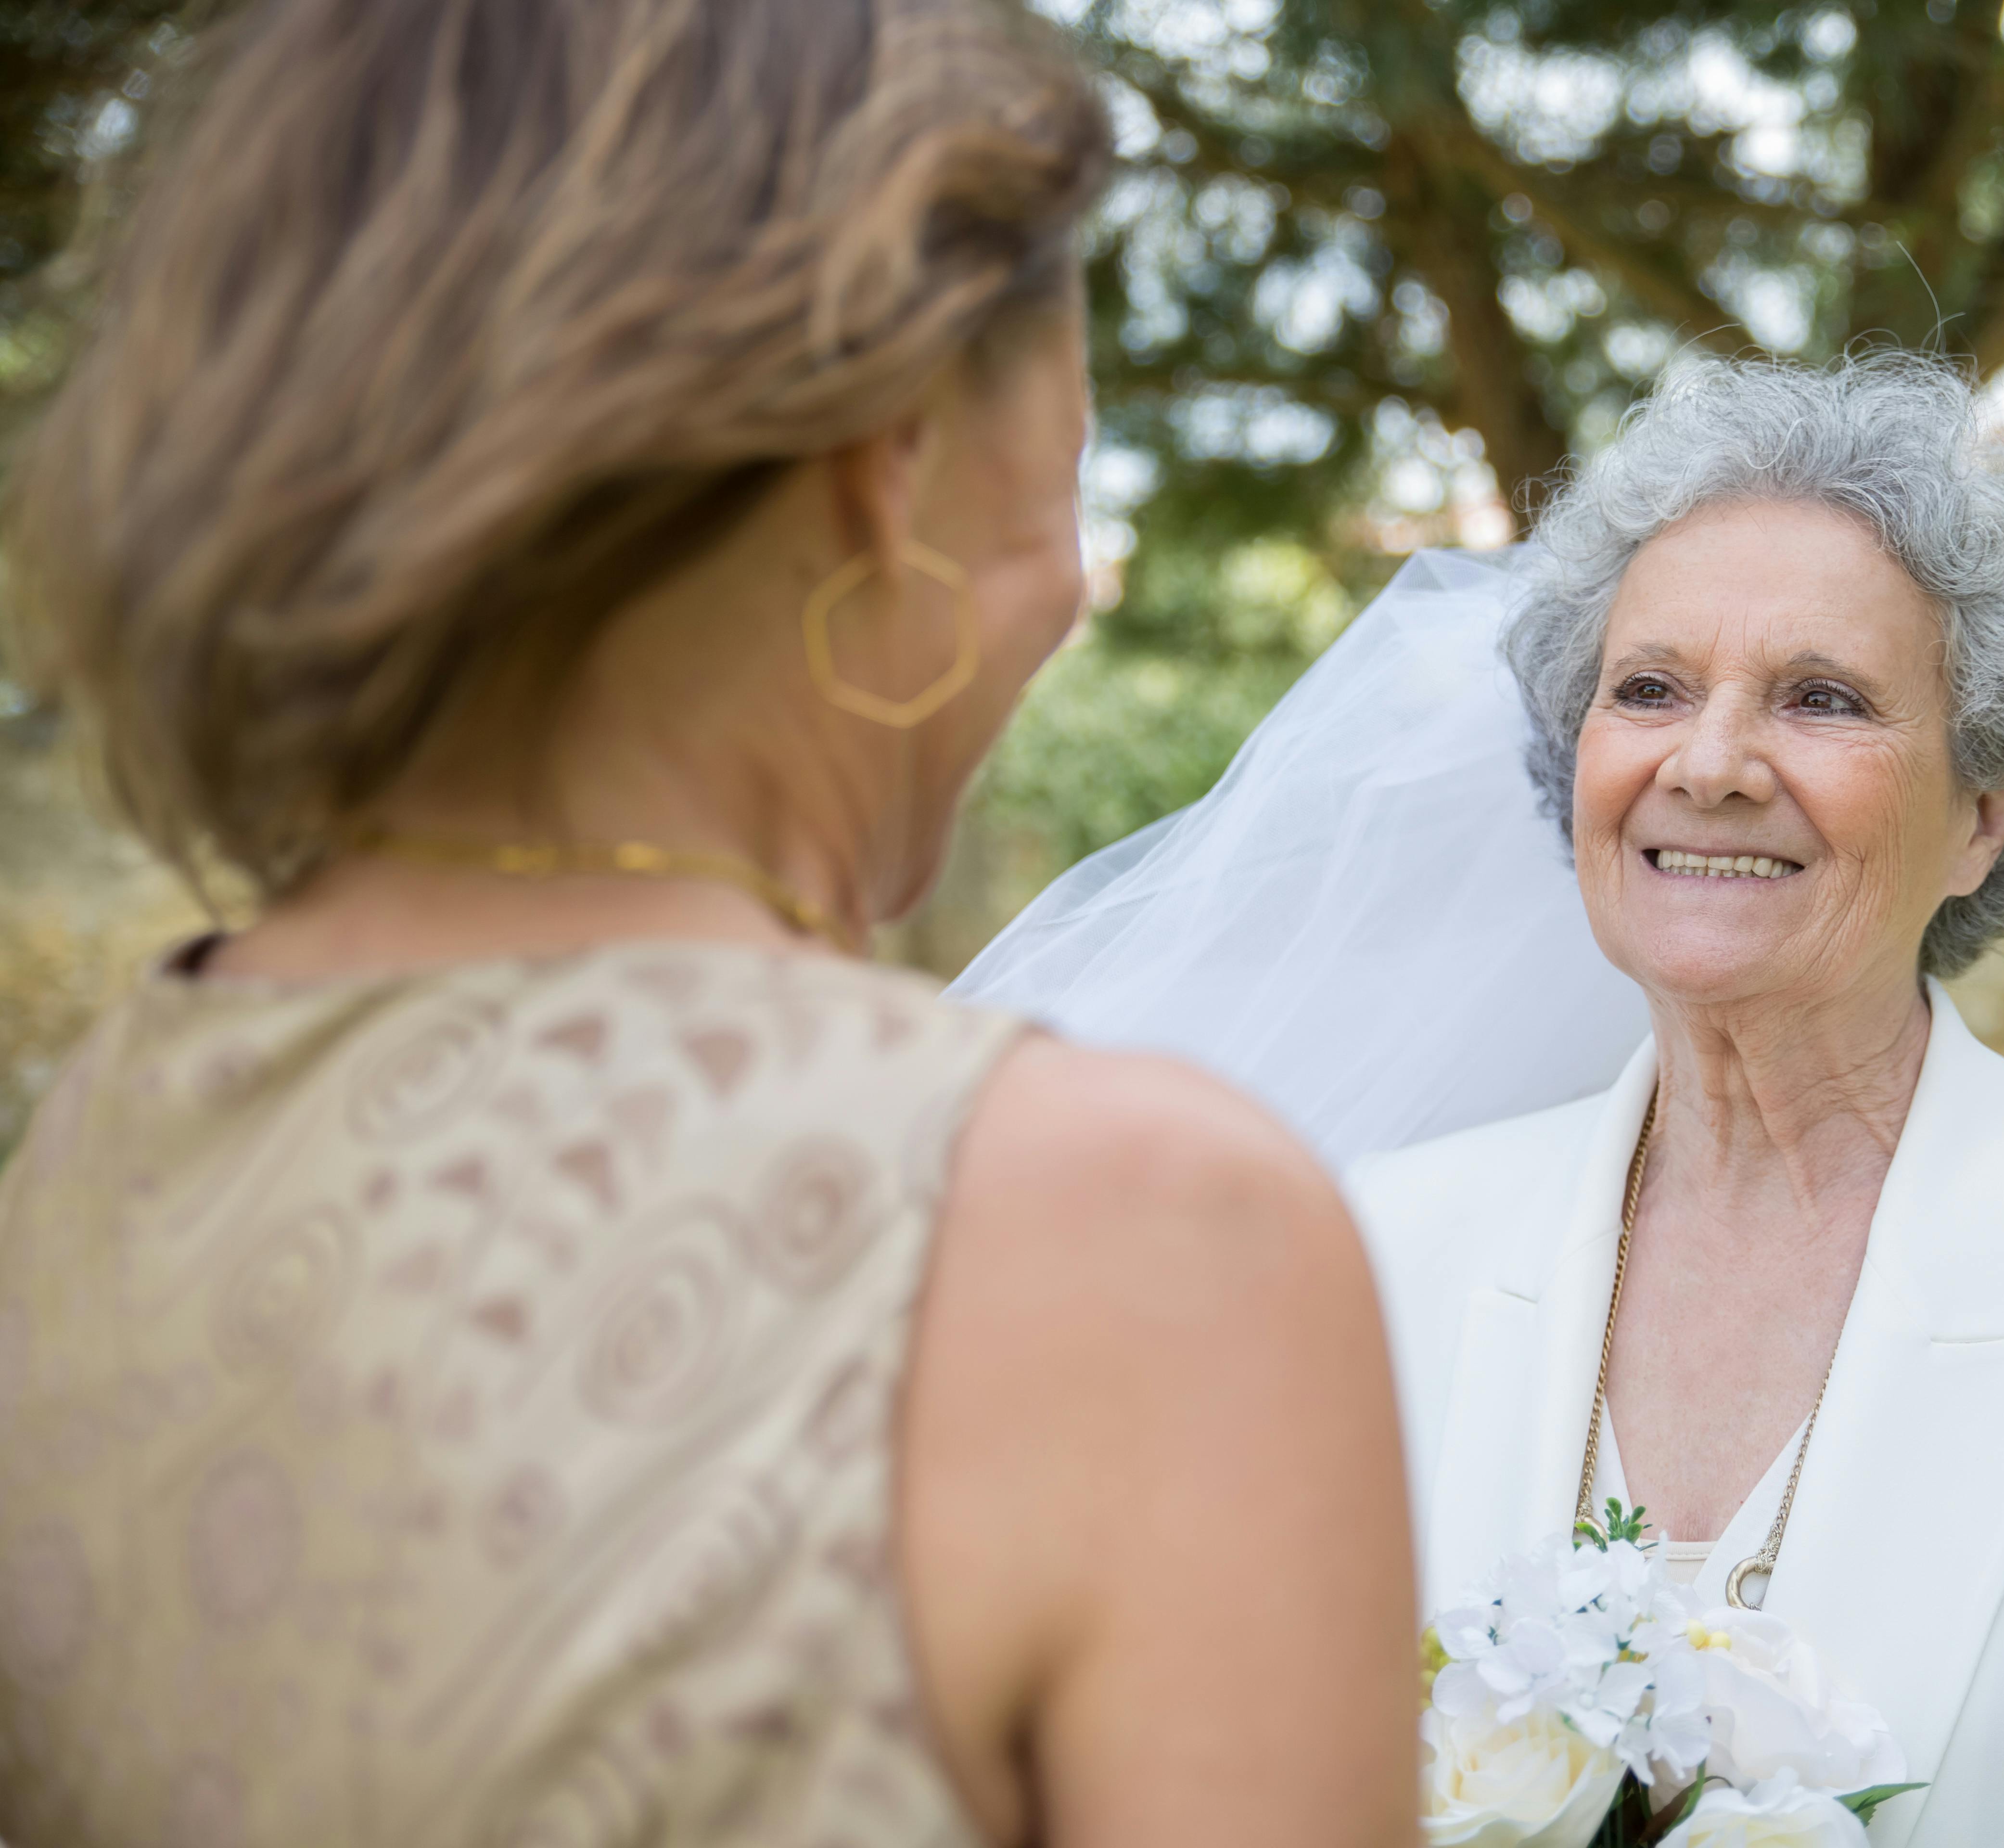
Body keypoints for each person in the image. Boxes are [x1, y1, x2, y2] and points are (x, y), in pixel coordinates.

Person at [0, 4, 1417, 1846]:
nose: (1069, 585)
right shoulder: (1140, 1241)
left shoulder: (88, 1147)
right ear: (886, 473)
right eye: (1061, 476)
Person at [962, 355, 2004, 1847]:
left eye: (1821, 699)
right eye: (1649, 689)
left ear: (1983, 813)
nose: (1712, 761)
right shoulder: (1385, 1250)